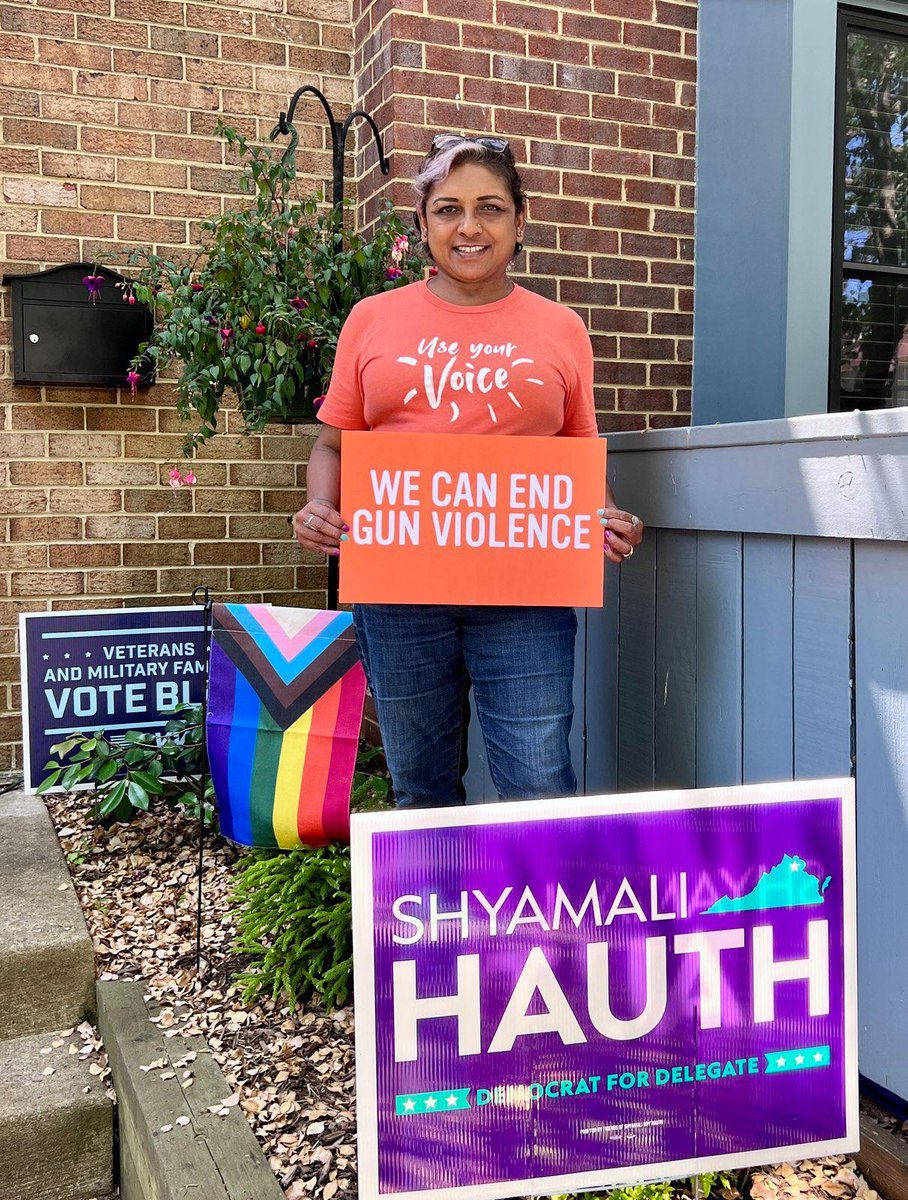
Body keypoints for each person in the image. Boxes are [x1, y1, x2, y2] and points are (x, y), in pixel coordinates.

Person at [293, 133, 644, 809]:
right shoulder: (371, 321)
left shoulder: (562, 328)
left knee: (538, 782)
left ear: (520, 220)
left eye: (490, 207)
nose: (470, 227)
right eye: (448, 209)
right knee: (420, 787)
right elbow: (334, 446)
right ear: (422, 223)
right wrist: (317, 506)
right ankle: (438, 914)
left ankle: (541, 917)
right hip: (399, 590)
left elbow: (579, 448)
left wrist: (608, 516)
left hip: (526, 592)